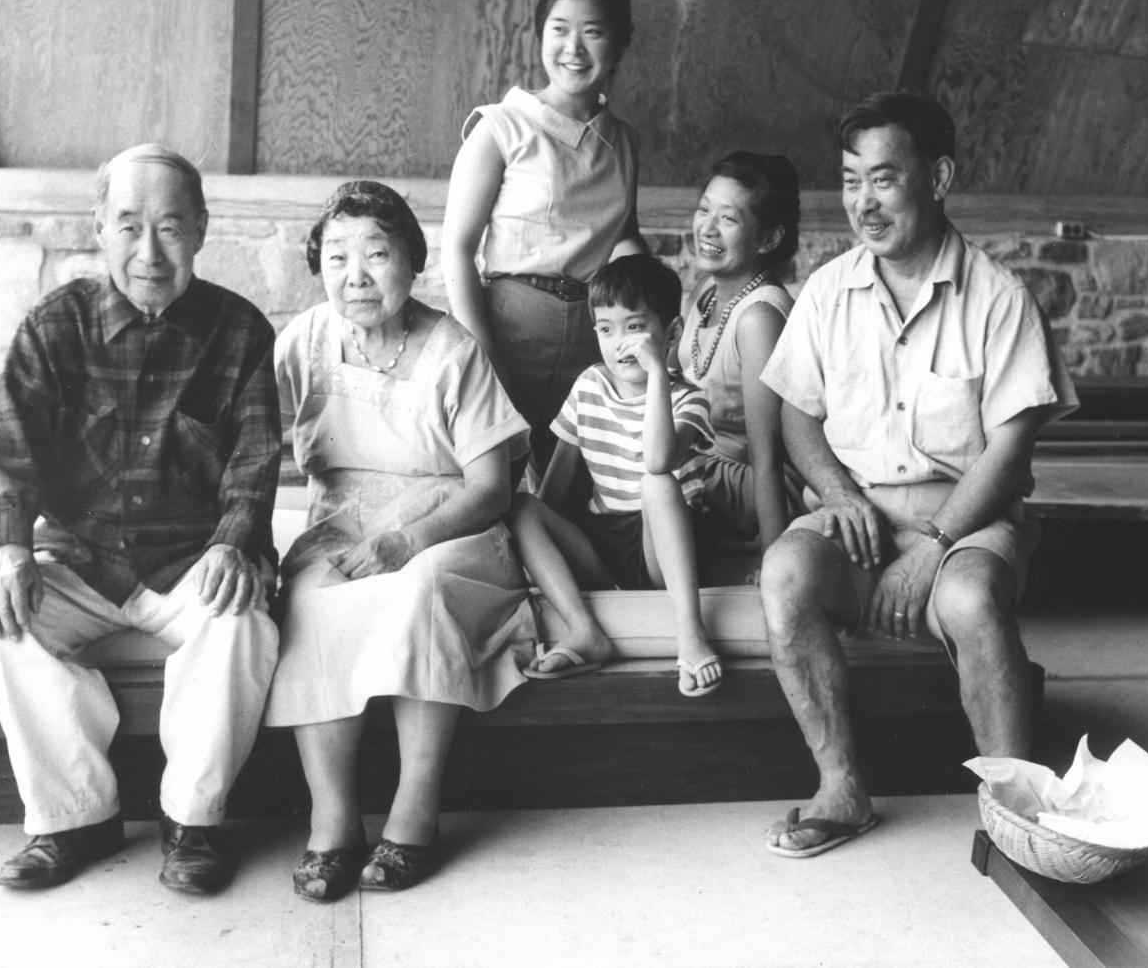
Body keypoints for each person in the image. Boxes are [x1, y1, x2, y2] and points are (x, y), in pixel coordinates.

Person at [758, 92, 1077, 857]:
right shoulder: (830, 290)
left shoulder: (998, 298)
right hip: (857, 522)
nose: (863, 203)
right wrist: (836, 495)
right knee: (786, 575)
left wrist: (933, 546)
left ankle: (1013, 806)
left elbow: (1009, 455)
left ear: (937, 177)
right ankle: (841, 787)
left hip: (966, 524)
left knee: (968, 599)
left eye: (884, 178)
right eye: (849, 180)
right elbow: (798, 415)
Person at [0, 144, 281, 894]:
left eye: (171, 228)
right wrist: (6, 550)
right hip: (84, 563)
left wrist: (236, 544)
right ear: (99, 228)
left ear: (202, 230)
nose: (150, 251)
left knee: (244, 624)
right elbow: (11, 457)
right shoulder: (53, 328)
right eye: (129, 225)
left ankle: (193, 822)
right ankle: (77, 816)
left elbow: (253, 464)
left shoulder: (240, 331)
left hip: (192, 564)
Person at [265, 181, 536, 901]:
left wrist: (405, 542)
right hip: (343, 523)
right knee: (310, 602)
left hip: (450, 526)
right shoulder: (304, 341)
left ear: (411, 262)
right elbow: (249, 449)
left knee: (416, 594)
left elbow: (491, 488)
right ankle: (334, 821)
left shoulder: (452, 351)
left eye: (377, 255)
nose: (356, 276)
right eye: (336, 257)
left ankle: (415, 814)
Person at [441, 0, 646, 477]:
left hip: (593, 341)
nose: (573, 48)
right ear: (540, 33)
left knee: (575, 492)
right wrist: (483, 357)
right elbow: (457, 250)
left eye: (593, 31)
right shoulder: (500, 127)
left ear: (620, 41)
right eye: (559, 28)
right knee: (504, 487)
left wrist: (654, 308)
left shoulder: (623, 141)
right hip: (508, 335)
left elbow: (624, 237)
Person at [508, 255, 722, 695]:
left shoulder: (689, 399)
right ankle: (585, 630)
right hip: (606, 543)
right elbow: (555, 488)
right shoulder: (590, 385)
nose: (619, 343)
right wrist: (540, 552)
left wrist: (658, 371)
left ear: (672, 333)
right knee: (524, 506)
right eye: (605, 329)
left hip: (666, 547)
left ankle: (691, 635)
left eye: (634, 327)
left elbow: (659, 460)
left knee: (656, 483)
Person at [677, 151, 803, 559]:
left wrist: (773, 561)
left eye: (728, 219)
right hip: (704, 471)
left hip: (750, 484)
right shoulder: (705, 292)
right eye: (703, 210)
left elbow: (766, 457)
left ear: (769, 238)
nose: (707, 229)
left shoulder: (758, 319)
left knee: (656, 474)